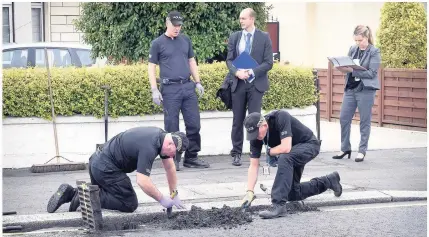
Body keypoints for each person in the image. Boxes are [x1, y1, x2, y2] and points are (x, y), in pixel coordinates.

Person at [47, 127, 188, 213]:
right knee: (129, 203)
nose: (172, 157)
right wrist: (162, 199)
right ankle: (81, 196)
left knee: (109, 194)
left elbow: (170, 168)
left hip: (97, 162)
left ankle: (70, 193)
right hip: (106, 168)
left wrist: (174, 193)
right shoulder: (149, 147)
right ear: (170, 143)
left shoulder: (160, 137)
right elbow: (143, 181)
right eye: (174, 153)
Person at [240, 111, 343, 219]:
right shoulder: (256, 138)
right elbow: (254, 165)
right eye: (252, 135)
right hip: (292, 154)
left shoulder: (280, 117)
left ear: (264, 125)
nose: (255, 137)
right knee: (292, 193)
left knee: (285, 157)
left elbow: (286, 147)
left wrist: (270, 152)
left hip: (309, 145)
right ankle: (329, 181)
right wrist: (249, 191)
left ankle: (278, 205)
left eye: (257, 133)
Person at [148, 10, 210, 170]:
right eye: (175, 25)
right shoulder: (157, 43)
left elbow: (191, 61)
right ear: (167, 23)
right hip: (169, 89)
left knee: (194, 124)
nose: (177, 28)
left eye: (179, 25)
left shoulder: (185, 41)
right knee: (171, 126)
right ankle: (173, 159)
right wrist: (154, 89)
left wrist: (198, 82)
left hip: (187, 87)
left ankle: (192, 157)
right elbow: (151, 67)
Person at [225, 8, 273, 166]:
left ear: (252, 19)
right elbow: (229, 60)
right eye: (240, 18)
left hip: (256, 84)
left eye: (244, 18)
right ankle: (236, 153)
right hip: (238, 84)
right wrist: (237, 72)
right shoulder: (235, 37)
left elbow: (268, 63)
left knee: (254, 120)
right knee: (237, 120)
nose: (241, 21)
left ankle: (254, 152)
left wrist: (252, 71)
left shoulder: (264, 37)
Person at [333, 25, 381, 162]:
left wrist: (352, 71)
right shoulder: (353, 49)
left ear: (366, 37)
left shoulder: (374, 51)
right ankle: (345, 148)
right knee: (343, 118)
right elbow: (348, 64)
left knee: (364, 121)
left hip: (365, 90)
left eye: (360, 40)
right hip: (350, 88)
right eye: (356, 40)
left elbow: (372, 73)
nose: (358, 43)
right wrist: (341, 68)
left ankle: (362, 151)